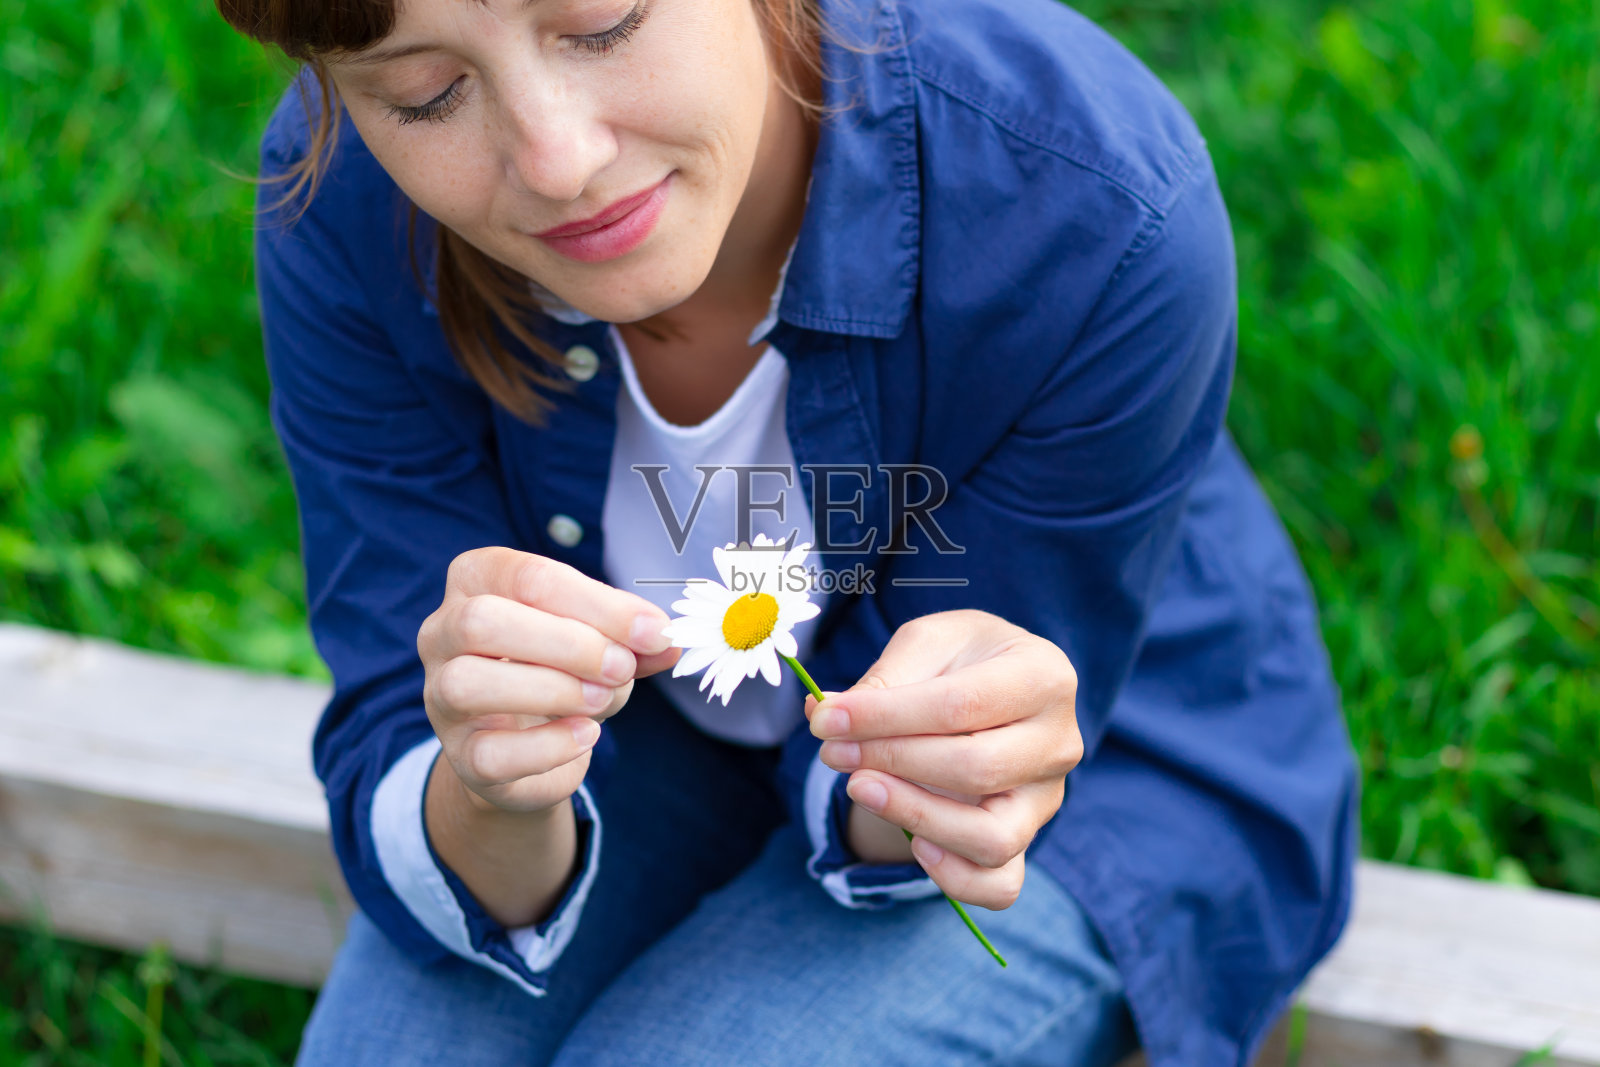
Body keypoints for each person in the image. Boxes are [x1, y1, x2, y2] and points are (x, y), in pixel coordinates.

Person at [215, 0, 1359, 1062]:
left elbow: (947, 770)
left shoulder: (1085, 200)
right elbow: (400, 718)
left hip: (1106, 773)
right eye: (423, 93)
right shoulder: (345, 195)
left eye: (603, 22)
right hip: (648, 731)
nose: (558, 159)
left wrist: (942, 775)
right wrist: (491, 786)